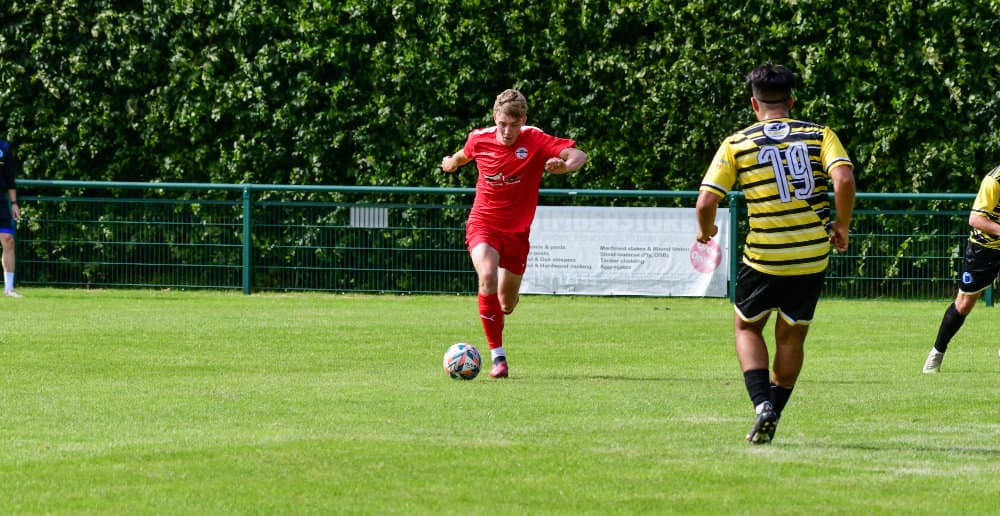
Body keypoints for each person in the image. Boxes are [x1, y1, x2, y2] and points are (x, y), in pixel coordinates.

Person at [695, 63, 856, 444]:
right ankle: (776, 411)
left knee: (747, 327)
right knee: (791, 336)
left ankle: (761, 405)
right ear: (792, 101)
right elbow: (844, 178)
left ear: (754, 103)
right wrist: (842, 225)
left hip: (765, 256)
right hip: (811, 255)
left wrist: (706, 232)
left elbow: (706, 202)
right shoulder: (820, 135)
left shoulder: (737, 143)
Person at [441, 89, 587, 378]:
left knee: (506, 303)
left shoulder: (535, 139)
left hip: (517, 233)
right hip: (483, 223)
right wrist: (450, 163)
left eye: (513, 125)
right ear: (494, 117)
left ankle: (502, 310)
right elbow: (462, 155)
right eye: (502, 124)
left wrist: (564, 167)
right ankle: (498, 358)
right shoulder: (479, 138)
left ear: (523, 120)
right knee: (487, 276)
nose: (507, 132)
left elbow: (578, 154)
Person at [922, 165, 1000, 373]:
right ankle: (937, 353)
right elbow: (976, 219)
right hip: (984, 250)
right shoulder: (994, 181)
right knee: (964, 304)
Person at [0, 139, 22, 298]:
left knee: (8, 240)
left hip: (0, 202)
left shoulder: (4, 147)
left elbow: (9, 178)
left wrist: (14, 203)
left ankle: (9, 288)